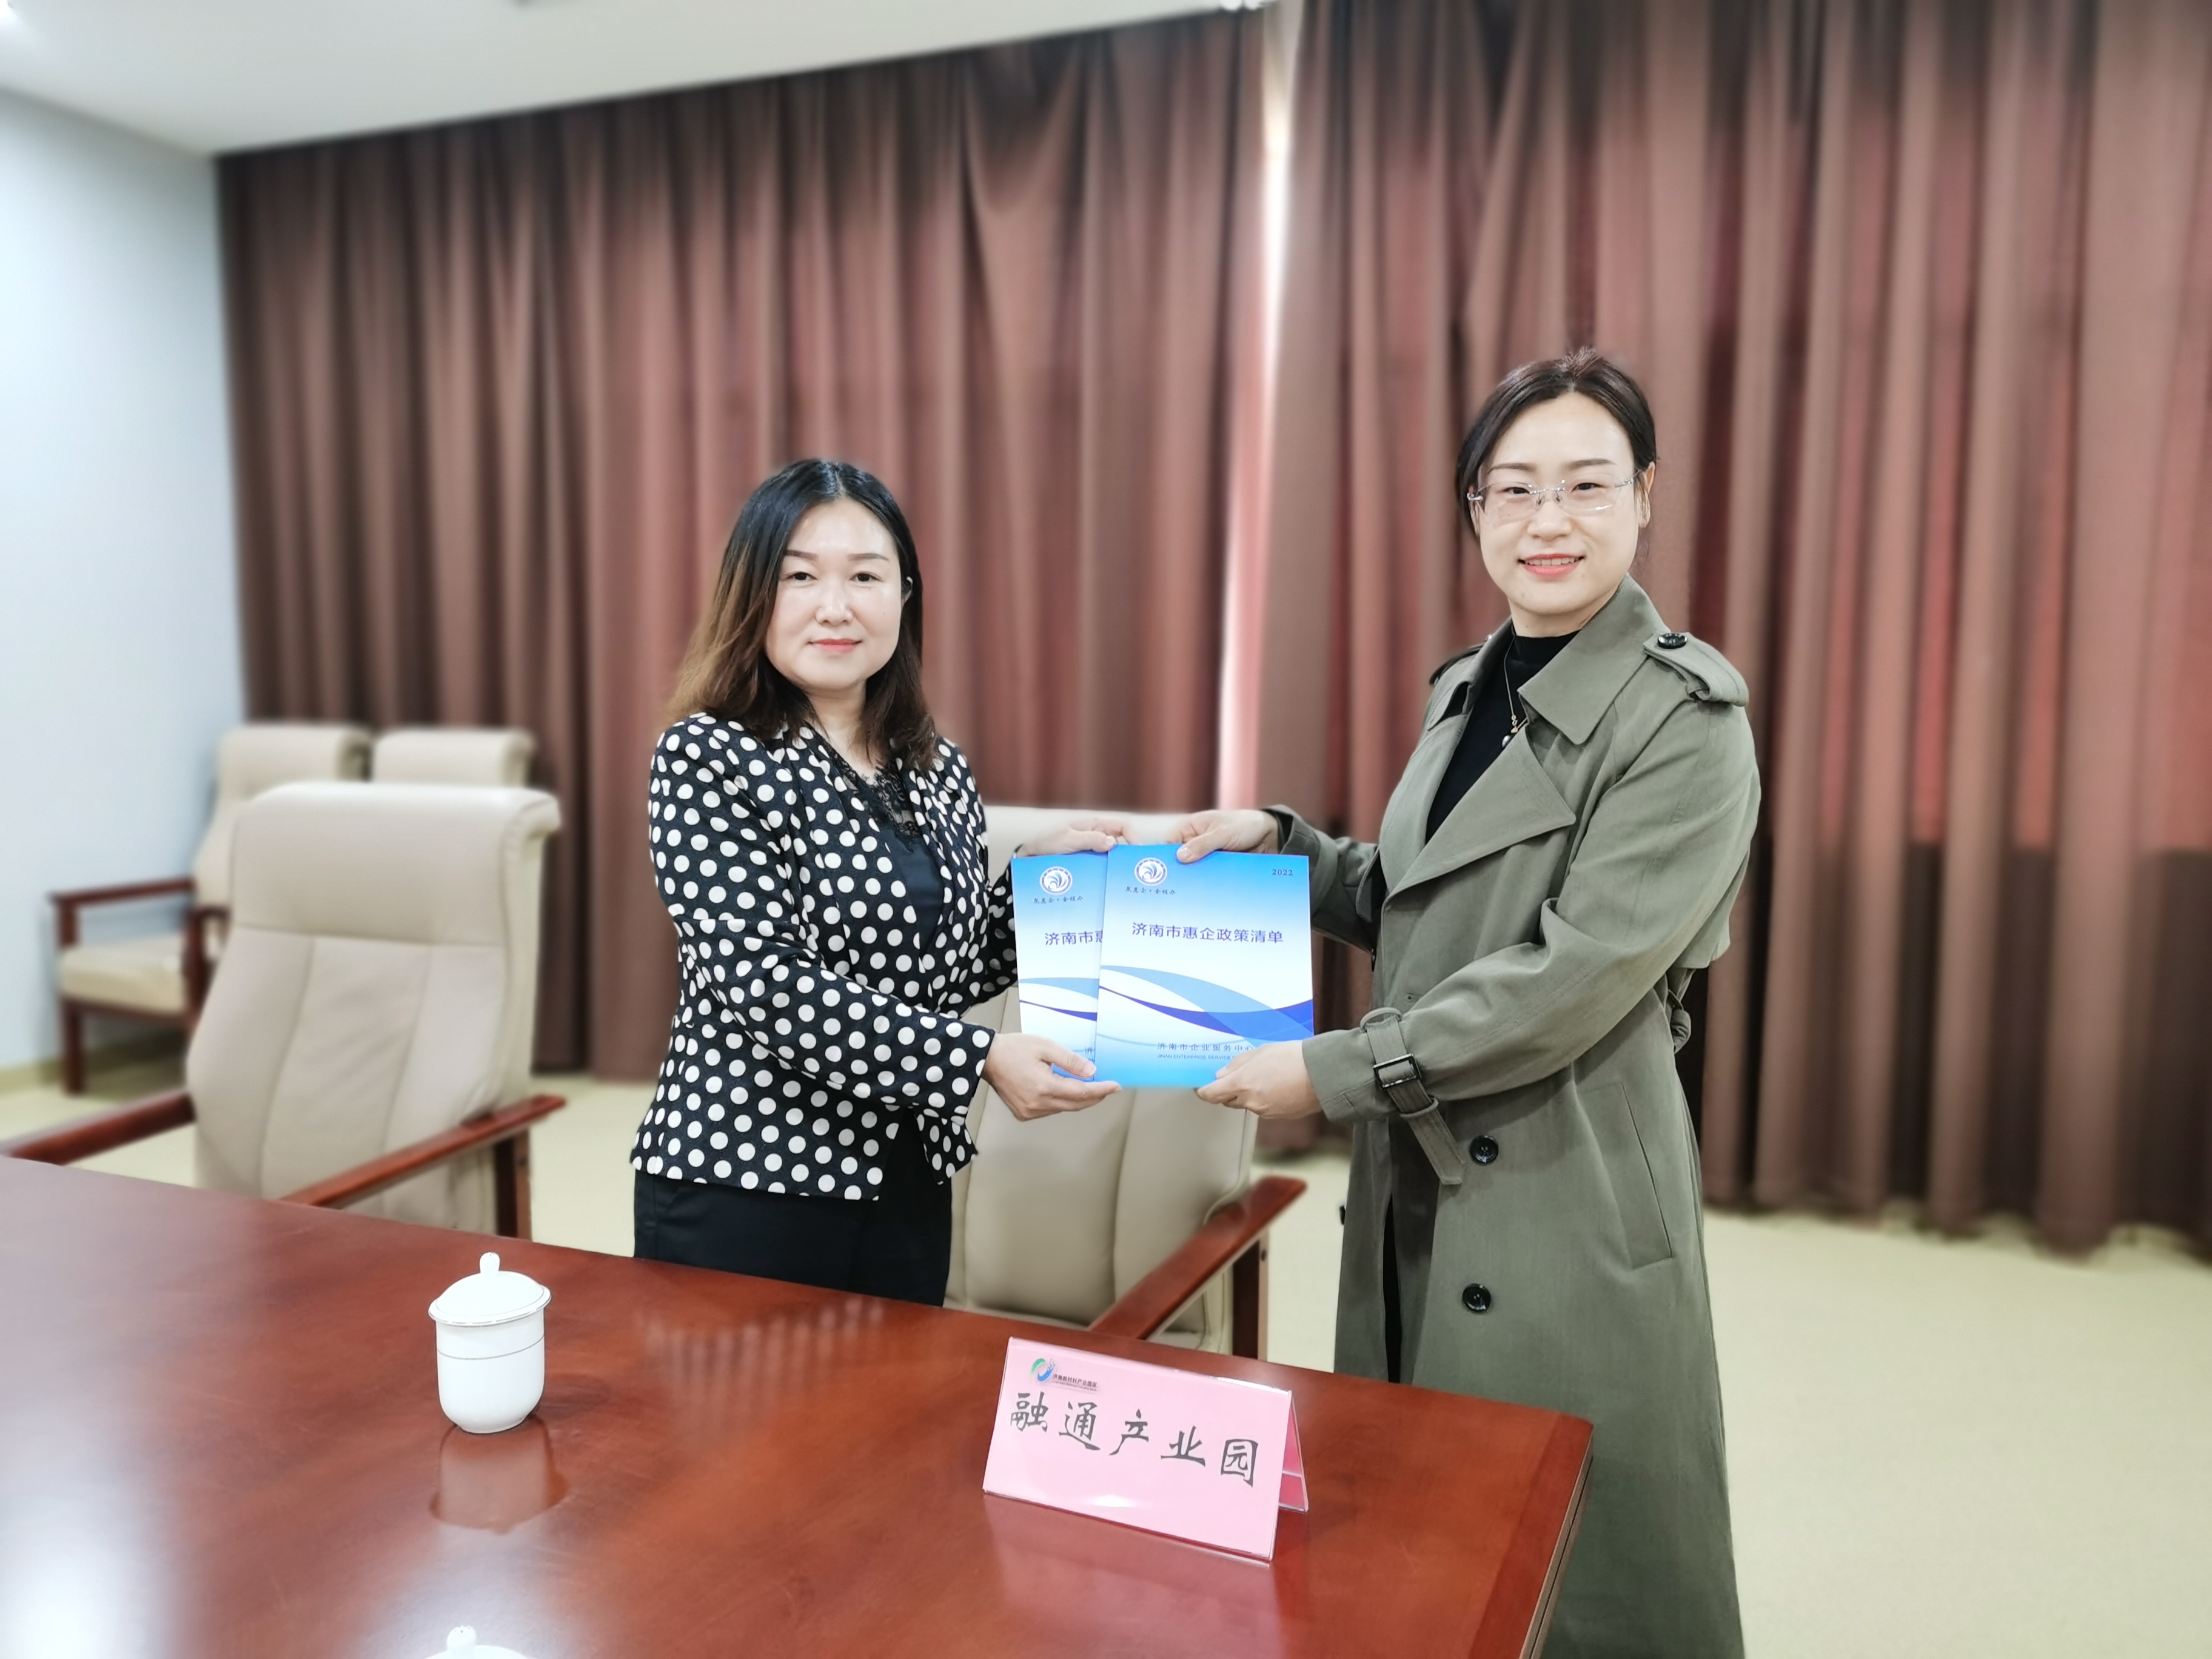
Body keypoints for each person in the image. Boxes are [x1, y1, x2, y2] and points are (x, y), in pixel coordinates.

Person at [1179, 349, 1757, 1657]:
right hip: (1423, 1151)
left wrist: (1331, 1072)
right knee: (1420, 1524)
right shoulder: (1472, 684)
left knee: (1580, 1555)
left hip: (1565, 1175)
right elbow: (1424, 902)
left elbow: (1568, 977)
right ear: (1475, 509)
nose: (1549, 521)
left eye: (1586, 485)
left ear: (1645, 495)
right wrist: (1285, 851)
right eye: (1514, 489)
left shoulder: (1686, 718)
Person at [633, 458, 1122, 1304]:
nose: (836, 607)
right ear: (753, 594)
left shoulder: (937, 767)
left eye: (865, 576)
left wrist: (1040, 890)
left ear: (904, 595)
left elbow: (940, 974)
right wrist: (977, 1058)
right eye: (800, 577)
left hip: (906, 1181)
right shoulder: (707, 757)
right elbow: (765, 983)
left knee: (901, 1398)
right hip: (748, 1184)